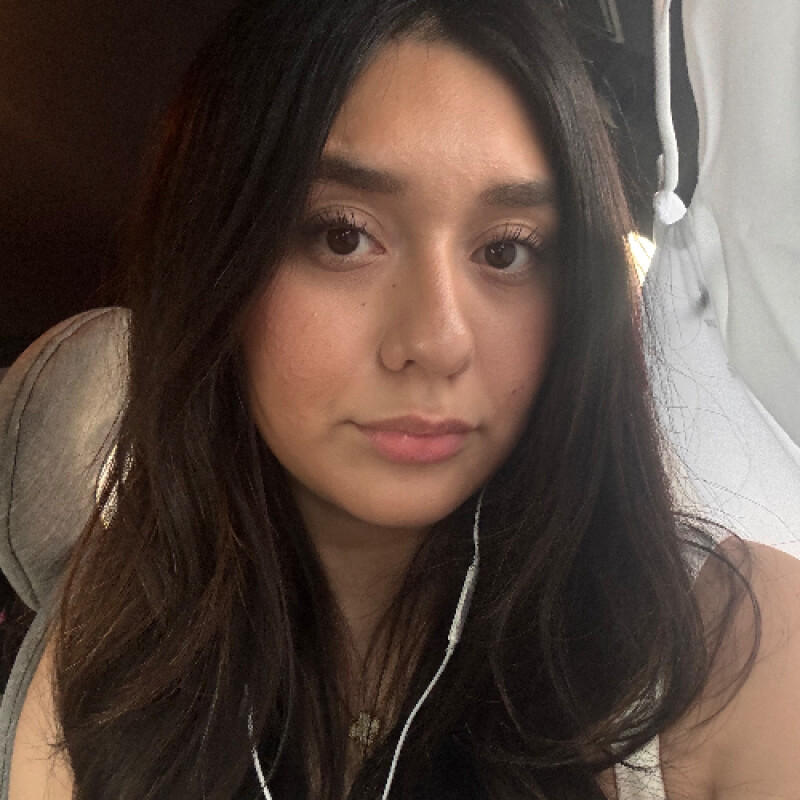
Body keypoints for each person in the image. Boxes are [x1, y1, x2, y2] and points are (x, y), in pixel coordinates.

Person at [8, 0, 800, 798]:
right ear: (212, 263)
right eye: (343, 235)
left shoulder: (740, 651)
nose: (439, 340)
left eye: (507, 250)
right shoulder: (107, 655)